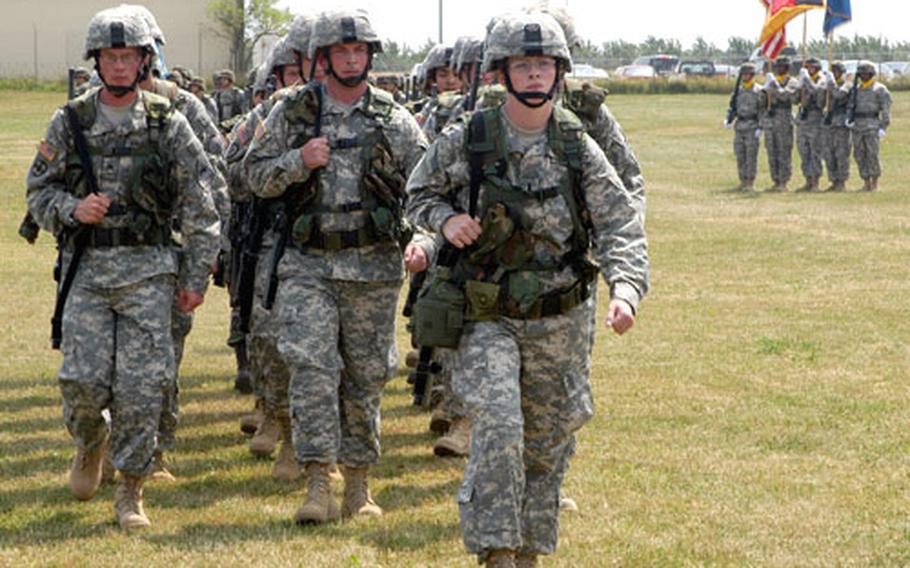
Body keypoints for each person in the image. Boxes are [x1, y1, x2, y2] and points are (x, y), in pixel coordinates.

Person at [406, 12, 648, 567]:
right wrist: (443, 221)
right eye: (524, 64)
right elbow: (416, 194)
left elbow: (619, 222)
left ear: (558, 71)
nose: (534, 74)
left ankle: (531, 552)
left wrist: (626, 288)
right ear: (502, 72)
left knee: (547, 441)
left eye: (543, 64)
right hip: (487, 312)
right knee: (498, 425)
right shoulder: (470, 136)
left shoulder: (576, 143)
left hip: (560, 316)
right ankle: (496, 551)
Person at [25, 7, 220, 529]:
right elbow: (38, 190)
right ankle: (91, 443)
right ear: (97, 61)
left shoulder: (168, 122)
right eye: (110, 57)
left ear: (144, 61)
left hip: (150, 273)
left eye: (128, 56)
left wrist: (196, 279)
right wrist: (72, 209)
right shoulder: (70, 121)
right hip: (87, 271)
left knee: (141, 388)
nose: (118, 65)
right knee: (82, 382)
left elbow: (202, 206)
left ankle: (130, 491)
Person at [243, 9, 428, 524]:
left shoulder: (394, 118)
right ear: (322, 58)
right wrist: (298, 160)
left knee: (367, 376)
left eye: (359, 51)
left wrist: (424, 241)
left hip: (373, 267)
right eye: (341, 52)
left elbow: (428, 186)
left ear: (370, 56)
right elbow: (250, 174)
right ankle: (318, 480)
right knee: (311, 368)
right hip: (308, 264)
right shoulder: (292, 113)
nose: (352, 59)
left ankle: (360, 484)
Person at [225, 16, 315, 481]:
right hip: (277, 243)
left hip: (342, 251)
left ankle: (318, 446)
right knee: (271, 342)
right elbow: (236, 173)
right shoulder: (270, 116)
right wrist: (292, 165)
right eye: (298, 67)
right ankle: (280, 422)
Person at [849, 60, 892, 191]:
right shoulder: (856, 89)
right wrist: (849, 118)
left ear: (871, 74)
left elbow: (886, 109)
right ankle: (866, 181)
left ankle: (874, 182)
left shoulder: (880, 89)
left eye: (866, 74)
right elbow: (850, 106)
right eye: (861, 74)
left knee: (872, 154)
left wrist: (883, 127)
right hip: (857, 126)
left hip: (872, 125)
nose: (863, 76)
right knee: (859, 154)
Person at [760, 56, 799, 191]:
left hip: (784, 120)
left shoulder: (792, 81)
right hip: (771, 121)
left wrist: (774, 86)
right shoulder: (772, 81)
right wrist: (764, 90)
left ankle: (783, 182)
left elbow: (784, 96)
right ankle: (775, 180)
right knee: (772, 151)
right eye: (778, 67)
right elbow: (762, 102)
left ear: (787, 68)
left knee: (783, 152)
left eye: (782, 67)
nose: (779, 69)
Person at [725, 62, 763, 192]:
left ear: (752, 75)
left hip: (752, 125)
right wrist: (729, 119)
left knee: (751, 155)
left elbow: (762, 110)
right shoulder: (738, 90)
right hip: (740, 125)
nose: (745, 76)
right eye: (743, 74)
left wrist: (760, 127)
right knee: (740, 154)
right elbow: (733, 107)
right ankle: (742, 181)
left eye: (747, 74)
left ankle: (750, 182)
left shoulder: (758, 90)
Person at [795, 57, 826, 191]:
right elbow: (795, 99)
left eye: (812, 67)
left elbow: (816, 92)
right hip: (803, 119)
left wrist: (806, 80)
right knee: (804, 150)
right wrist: (799, 86)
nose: (809, 70)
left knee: (815, 151)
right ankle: (807, 180)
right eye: (807, 68)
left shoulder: (822, 80)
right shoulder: (803, 79)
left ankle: (815, 182)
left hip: (815, 119)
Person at [821, 61, 852, 191]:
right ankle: (833, 180)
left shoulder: (847, 84)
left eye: (836, 72)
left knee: (841, 153)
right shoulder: (827, 85)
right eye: (832, 72)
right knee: (829, 153)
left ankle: (842, 181)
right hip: (829, 122)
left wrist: (831, 83)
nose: (834, 74)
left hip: (841, 123)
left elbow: (839, 94)